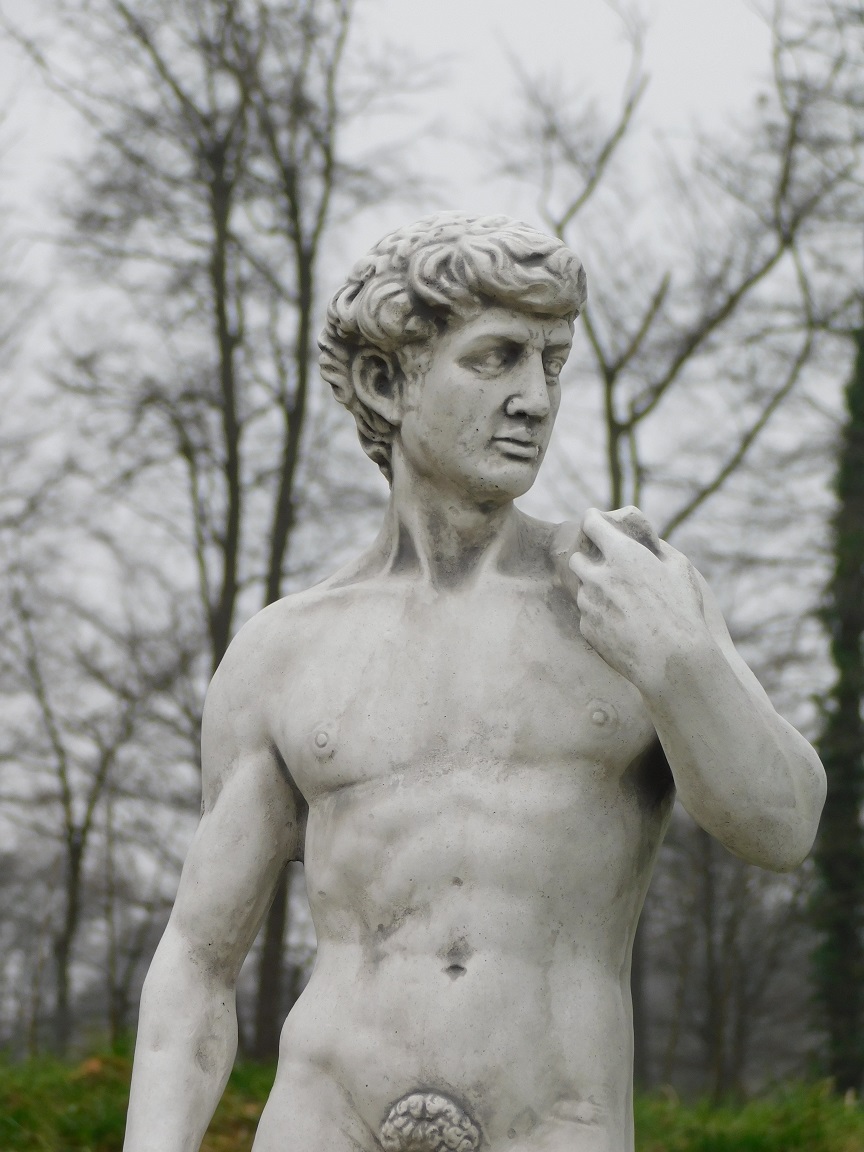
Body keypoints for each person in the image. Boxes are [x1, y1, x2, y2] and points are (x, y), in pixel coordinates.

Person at [123, 213, 826, 1152]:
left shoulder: (626, 600)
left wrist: (681, 664)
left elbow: (784, 827)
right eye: (496, 359)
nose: (535, 398)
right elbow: (198, 960)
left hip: (553, 1126)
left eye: (552, 363)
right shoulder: (285, 651)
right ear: (386, 381)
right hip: (321, 1124)